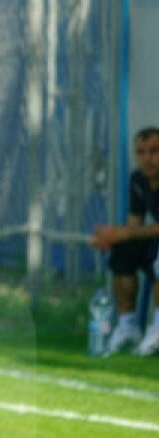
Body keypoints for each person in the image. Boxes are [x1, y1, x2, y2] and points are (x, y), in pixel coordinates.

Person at [90, 126, 159, 356]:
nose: (147, 158)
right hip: (153, 240)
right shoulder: (138, 180)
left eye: (154, 151)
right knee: (121, 250)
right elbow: (135, 222)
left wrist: (125, 233)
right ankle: (128, 325)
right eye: (141, 152)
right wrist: (111, 236)